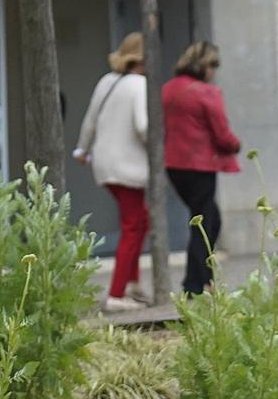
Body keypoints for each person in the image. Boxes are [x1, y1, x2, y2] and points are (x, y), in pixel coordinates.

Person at [75, 32, 151, 312]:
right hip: (128, 166)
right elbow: (144, 126)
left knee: (141, 220)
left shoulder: (106, 81)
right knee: (133, 226)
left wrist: (82, 150)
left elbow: (90, 120)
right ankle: (117, 293)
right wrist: (160, 146)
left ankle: (132, 282)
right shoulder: (139, 84)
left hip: (104, 163)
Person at [162, 41, 241, 297]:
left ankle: (203, 278)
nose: (214, 71)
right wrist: (236, 144)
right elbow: (222, 134)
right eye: (212, 65)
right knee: (204, 225)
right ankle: (194, 285)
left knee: (208, 219)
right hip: (200, 166)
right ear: (202, 65)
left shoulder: (168, 89)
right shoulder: (207, 93)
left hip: (174, 165)